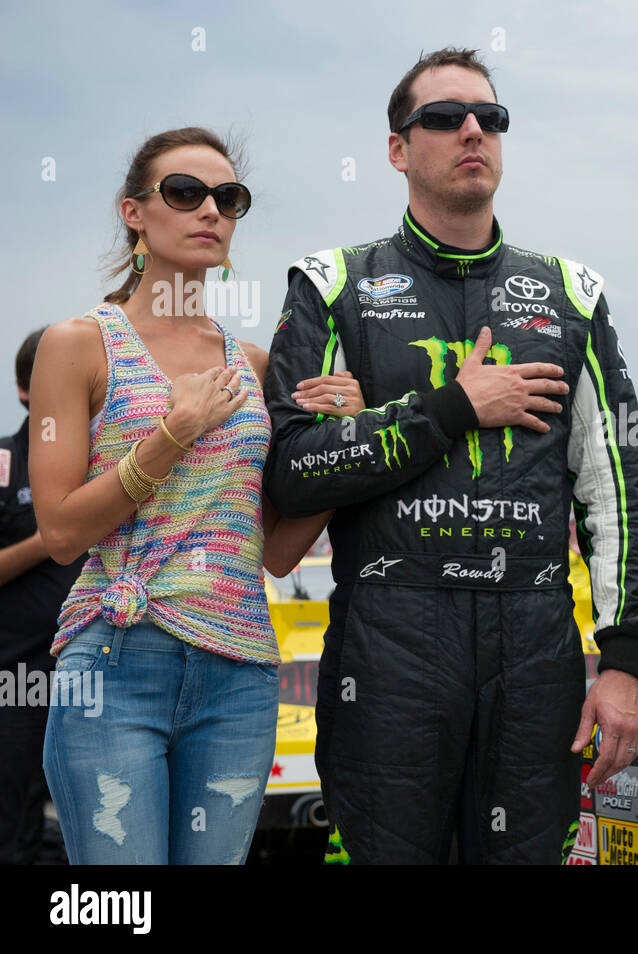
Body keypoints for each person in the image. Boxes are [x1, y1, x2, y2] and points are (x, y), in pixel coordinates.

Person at [263, 48, 638, 865]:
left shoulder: (570, 292)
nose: (473, 130)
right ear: (399, 149)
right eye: (443, 117)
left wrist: (621, 664)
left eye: (490, 117)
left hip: (535, 637)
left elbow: (615, 487)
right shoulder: (332, 283)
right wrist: (450, 410)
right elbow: (292, 474)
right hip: (390, 634)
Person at [29, 127, 363, 864]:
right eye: (185, 192)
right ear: (134, 213)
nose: (210, 209)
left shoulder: (255, 365)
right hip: (117, 664)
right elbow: (58, 533)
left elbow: (274, 553)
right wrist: (171, 433)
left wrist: (344, 454)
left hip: (238, 674)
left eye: (229, 198)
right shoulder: (79, 344)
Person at [0, 329, 86, 864]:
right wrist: (55, 533)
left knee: (103, 813)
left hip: (98, 663)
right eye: (45, 380)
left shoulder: (104, 457)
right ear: (23, 390)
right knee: (15, 825)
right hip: (17, 674)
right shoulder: (4, 461)